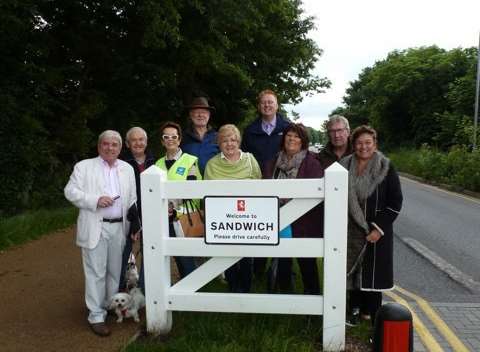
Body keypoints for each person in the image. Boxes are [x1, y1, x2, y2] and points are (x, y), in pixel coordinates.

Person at [64, 130, 137, 336]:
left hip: (119, 227)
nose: (110, 148)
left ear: (120, 148)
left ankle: (109, 305)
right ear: (99, 146)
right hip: (95, 225)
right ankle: (95, 315)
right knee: (96, 272)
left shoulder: (127, 169)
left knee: (115, 271)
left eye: (115, 145)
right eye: (106, 144)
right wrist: (95, 199)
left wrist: (134, 226)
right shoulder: (84, 167)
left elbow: (132, 199)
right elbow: (70, 191)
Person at [339, 125, 403, 325]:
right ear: (353, 144)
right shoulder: (342, 166)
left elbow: (395, 201)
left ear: (375, 145)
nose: (363, 147)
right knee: (351, 272)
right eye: (359, 143)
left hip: (375, 231)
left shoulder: (385, 166)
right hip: (349, 229)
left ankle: (373, 317)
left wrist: (378, 229)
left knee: (373, 275)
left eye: (368, 142)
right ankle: (353, 312)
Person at [263, 123, 324, 294]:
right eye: (289, 135)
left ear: (303, 141)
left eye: (297, 136)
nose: (292, 139)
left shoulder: (312, 163)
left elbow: (315, 195)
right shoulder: (273, 161)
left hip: (304, 223)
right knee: (282, 262)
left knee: (307, 266)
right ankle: (285, 298)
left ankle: (312, 305)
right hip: (278, 221)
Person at [204, 124, 262, 292]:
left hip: (248, 217)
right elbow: (206, 195)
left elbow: (260, 186)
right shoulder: (212, 165)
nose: (229, 144)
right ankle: (233, 288)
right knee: (227, 254)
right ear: (219, 143)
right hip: (223, 220)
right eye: (224, 141)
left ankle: (246, 291)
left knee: (246, 255)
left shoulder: (250, 160)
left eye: (233, 140)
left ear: (239, 141)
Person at [241, 89, 290, 276]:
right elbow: (244, 157)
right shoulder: (250, 131)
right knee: (260, 228)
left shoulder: (287, 127)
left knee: (283, 227)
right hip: (258, 186)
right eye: (263, 102)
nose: (267, 105)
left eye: (271, 102)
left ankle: (283, 272)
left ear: (277, 105)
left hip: (283, 185)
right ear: (259, 106)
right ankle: (259, 271)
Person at [155, 121, 202, 278]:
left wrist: (174, 209)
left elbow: (193, 191)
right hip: (163, 217)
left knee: (185, 258)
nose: (170, 139)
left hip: (183, 217)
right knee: (170, 256)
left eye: (174, 136)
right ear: (162, 141)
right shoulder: (158, 164)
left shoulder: (190, 160)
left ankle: (192, 294)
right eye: (166, 137)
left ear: (179, 139)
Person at [119, 127, 156, 293]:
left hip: (150, 215)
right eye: (134, 140)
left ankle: (144, 293)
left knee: (149, 255)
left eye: (141, 139)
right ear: (127, 144)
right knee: (122, 254)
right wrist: (135, 221)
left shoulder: (155, 161)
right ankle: (118, 291)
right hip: (128, 215)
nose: (138, 143)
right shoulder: (121, 164)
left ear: (146, 142)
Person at [180, 96, 219, 175]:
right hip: (189, 182)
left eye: (204, 112)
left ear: (209, 115)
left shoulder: (218, 137)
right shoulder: (182, 138)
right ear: (191, 115)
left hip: (213, 181)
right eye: (197, 112)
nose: (200, 115)